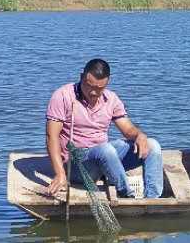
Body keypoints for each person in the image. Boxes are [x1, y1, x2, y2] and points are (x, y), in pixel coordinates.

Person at [45, 58, 163, 199]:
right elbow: (51, 136)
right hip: (77, 164)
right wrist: (60, 174)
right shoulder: (63, 96)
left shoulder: (111, 99)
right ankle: (128, 196)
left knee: (152, 145)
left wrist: (140, 135)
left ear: (107, 83)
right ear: (82, 77)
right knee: (105, 150)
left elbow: (127, 129)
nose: (93, 92)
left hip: (104, 158)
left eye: (99, 89)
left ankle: (152, 199)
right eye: (89, 86)